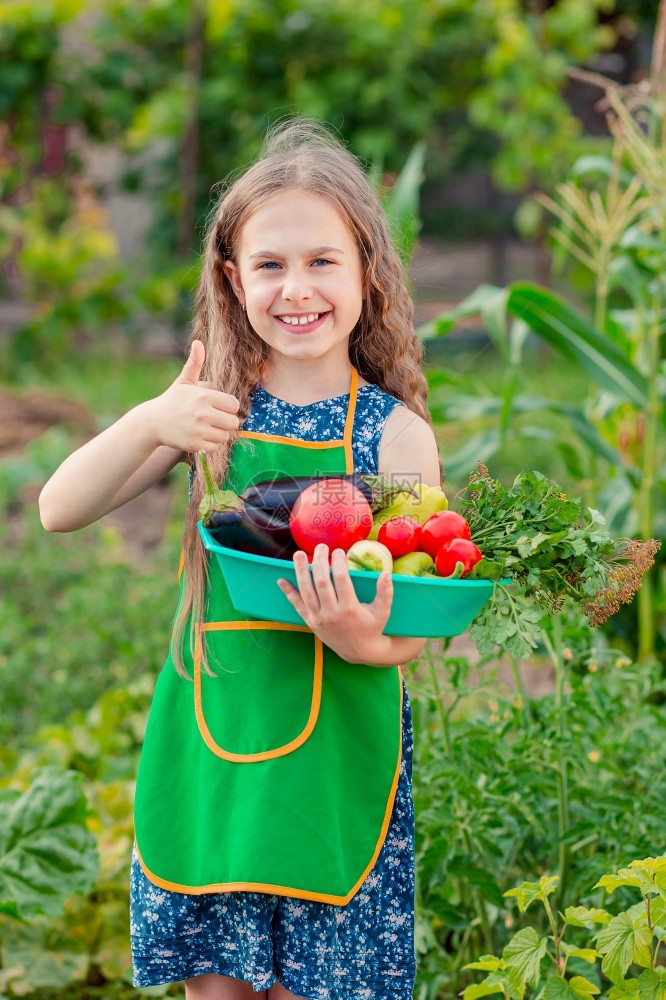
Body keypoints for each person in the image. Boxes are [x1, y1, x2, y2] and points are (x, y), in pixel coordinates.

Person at [39, 118, 441, 1000]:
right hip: (215, 746)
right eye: (270, 264)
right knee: (216, 990)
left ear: (369, 270)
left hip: (334, 763)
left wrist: (357, 636)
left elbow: (409, 633)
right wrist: (151, 421)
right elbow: (59, 508)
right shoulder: (206, 411)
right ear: (233, 278)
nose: (297, 287)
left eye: (322, 261)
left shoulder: (396, 434)